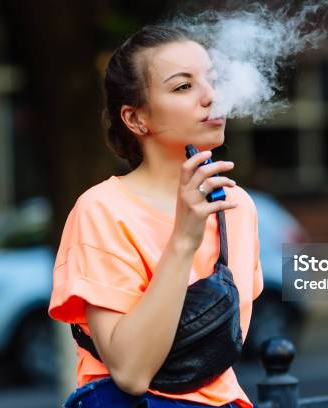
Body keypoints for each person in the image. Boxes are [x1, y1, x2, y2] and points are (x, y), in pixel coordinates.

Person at [48, 25, 264, 408]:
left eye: (211, 81)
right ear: (135, 119)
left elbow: (216, 351)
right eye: (183, 87)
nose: (210, 97)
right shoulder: (102, 210)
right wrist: (184, 240)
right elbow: (131, 373)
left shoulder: (238, 207)